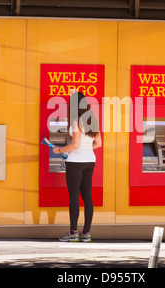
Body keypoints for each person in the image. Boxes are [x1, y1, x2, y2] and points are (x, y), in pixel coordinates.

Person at [52, 92, 102, 242]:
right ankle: (86, 233)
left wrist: (59, 150)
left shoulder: (75, 121)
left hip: (75, 162)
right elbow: (98, 144)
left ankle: (73, 232)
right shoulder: (92, 120)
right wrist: (87, 150)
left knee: (74, 196)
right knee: (87, 196)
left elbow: (75, 144)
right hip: (90, 161)